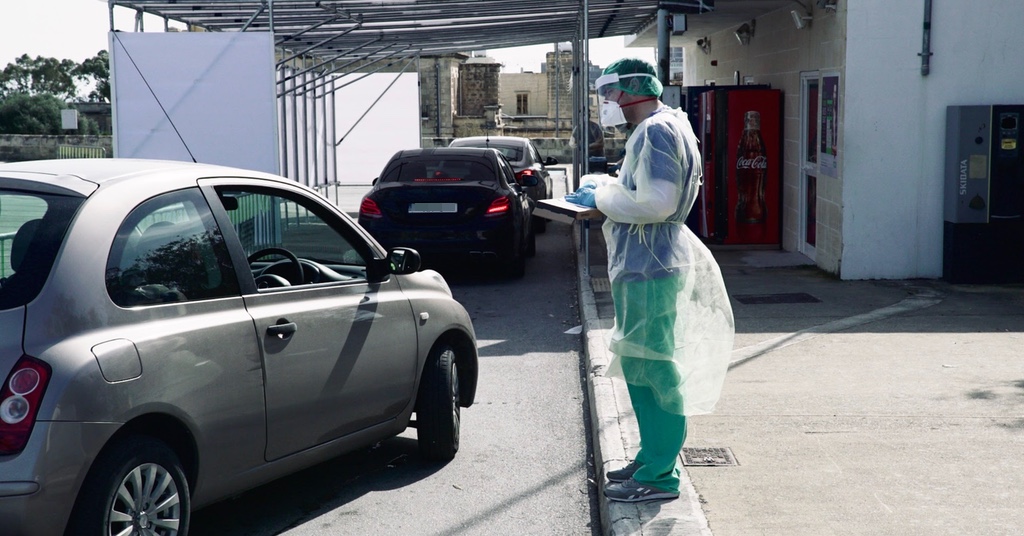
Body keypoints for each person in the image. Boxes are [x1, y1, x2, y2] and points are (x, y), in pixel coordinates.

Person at [565, 59, 735, 503]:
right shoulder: (667, 124)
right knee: (642, 365)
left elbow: (659, 202)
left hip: (651, 264)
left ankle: (660, 476)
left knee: (654, 367)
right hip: (647, 261)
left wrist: (601, 195)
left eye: (609, 94)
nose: (606, 103)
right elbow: (647, 190)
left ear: (630, 91)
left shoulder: (658, 130)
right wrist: (609, 183)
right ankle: (650, 457)